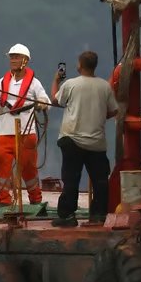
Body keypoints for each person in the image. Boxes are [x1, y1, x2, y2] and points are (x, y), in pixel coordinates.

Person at [50, 51, 118, 227]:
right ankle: (99, 215)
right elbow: (113, 111)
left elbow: (55, 101)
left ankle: (67, 216)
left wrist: (57, 80)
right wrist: (98, 115)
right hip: (96, 142)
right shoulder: (105, 86)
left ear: (79, 65)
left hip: (72, 139)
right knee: (100, 181)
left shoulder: (70, 84)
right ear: (94, 65)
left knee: (71, 179)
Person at [0, 43, 50, 207]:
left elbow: (45, 100)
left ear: (25, 61)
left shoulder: (34, 83)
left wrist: (42, 103)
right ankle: (4, 200)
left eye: (16, 57)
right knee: (2, 166)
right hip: (5, 133)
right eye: (11, 57)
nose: (13, 60)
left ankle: (35, 199)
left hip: (26, 133)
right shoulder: (2, 82)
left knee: (28, 169)